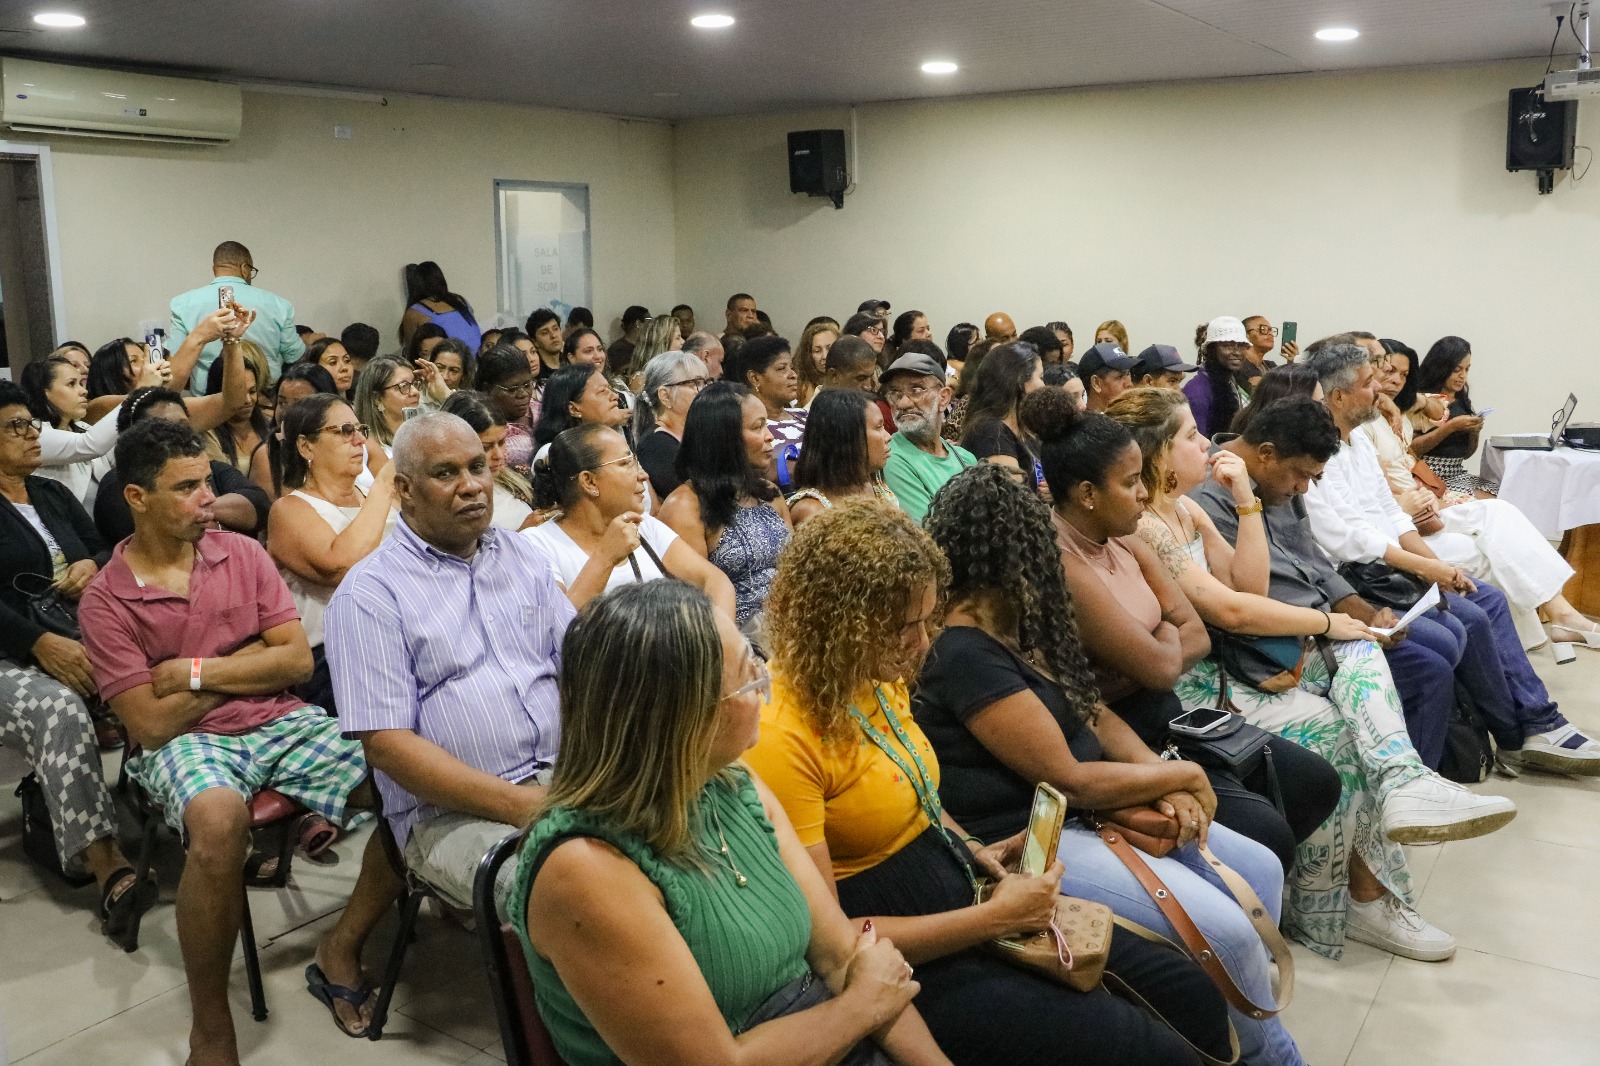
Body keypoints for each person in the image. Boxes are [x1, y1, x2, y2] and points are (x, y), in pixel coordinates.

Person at [746, 501, 1245, 1066]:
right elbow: (835, 941)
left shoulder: (872, 677)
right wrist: (994, 918)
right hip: (904, 947)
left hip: (964, 887)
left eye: (926, 622)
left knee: (1185, 987)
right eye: (902, 628)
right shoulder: (781, 736)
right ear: (839, 623)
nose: (919, 644)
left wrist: (975, 849)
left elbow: (918, 796)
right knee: (1136, 1044)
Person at [917, 467, 1312, 1064]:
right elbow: (1066, 778)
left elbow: (1095, 715)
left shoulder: (1016, 627)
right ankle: (1268, 1056)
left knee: (1260, 867)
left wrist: (1160, 775)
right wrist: (1182, 776)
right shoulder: (963, 652)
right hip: (1032, 838)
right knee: (1227, 932)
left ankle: (1244, 1026)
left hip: (1088, 808)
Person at [515, 581, 947, 1066]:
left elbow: (845, 956)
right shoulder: (586, 869)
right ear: (684, 719)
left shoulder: (733, 783)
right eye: (749, 674)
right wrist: (861, 1007)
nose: (765, 682)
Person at [1106, 386, 1467, 961]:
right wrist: (1325, 622)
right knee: (1339, 726)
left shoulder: (1188, 507)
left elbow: (1245, 585)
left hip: (1223, 661)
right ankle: (1338, 901)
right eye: (1190, 437)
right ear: (1154, 452)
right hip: (1198, 686)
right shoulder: (1147, 524)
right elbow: (1228, 610)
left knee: (1357, 669)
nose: (1206, 444)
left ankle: (1392, 808)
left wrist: (1246, 501)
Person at [79, 418, 402, 1058]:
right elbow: (146, 723)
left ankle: (341, 947)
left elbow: (296, 665)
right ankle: (211, 1021)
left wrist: (195, 672)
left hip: (276, 716)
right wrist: (248, 664)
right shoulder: (105, 600)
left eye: (207, 482)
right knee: (220, 821)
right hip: (184, 744)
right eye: (187, 487)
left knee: (401, 780)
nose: (210, 498)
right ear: (137, 499)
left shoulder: (242, 552)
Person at [1019, 388, 1341, 881]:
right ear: (1087, 494)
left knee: (1316, 781)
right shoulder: (1065, 559)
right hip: (1120, 732)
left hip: (1166, 709)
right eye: (1130, 483)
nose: (1145, 494)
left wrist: (1152, 646)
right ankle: (1232, 896)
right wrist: (1165, 637)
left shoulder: (1127, 535)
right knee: (1269, 833)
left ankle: (1249, 888)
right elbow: (1167, 660)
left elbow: (1197, 636)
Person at [1190, 388, 1526, 838]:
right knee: (1427, 666)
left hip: (1323, 621)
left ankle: (1412, 788)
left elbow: (1311, 561)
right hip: (1280, 640)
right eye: (1301, 477)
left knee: (1443, 638)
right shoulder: (1211, 496)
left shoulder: (1278, 478)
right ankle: (1403, 796)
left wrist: (1366, 613)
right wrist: (1333, 624)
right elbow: (1247, 602)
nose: (1303, 488)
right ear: (1266, 455)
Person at [1299, 344, 1599, 773]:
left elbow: (1388, 512)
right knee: (1472, 614)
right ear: (1337, 397)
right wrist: (1428, 567)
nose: (1380, 388)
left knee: (1490, 597)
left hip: (1392, 557)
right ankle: (1523, 733)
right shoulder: (1323, 450)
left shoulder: (1359, 440)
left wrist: (1434, 567)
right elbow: (1350, 538)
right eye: (1369, 382)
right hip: (1361, 574)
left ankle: (1537, 723)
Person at [327, 413, 575, 916]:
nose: (471, 487)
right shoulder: (370, 594)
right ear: (404, 489)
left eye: (478, 467)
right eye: (445, 474)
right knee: (570, 892)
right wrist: (523, 806)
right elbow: (388, 748)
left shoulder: (522, 555)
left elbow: (584, 663)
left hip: (565, 775)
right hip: (447, 816)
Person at [0, 380, 154, 950]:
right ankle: (108, 863)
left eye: (30, 424)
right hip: (10, 651)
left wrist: (91, 564)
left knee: (159, 672)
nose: (31, 434)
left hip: (81, 631)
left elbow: (104, 544)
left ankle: (179, 817)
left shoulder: (50, 493)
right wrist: (38, 642)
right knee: (60, 709)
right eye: (15, 427)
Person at [1365, 338, 1596, 648]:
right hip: (1408, 512)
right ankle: (1535, 633)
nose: (1394, 380)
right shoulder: (1359, 428)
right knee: (1492, 544)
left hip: (1423, 498)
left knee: (1502, 512)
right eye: (1387, 370)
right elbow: (1382, 484)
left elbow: (1410, 451)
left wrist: (1416, 405)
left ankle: (1556, 616)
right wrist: (1409, 500)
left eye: (1403, 375)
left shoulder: (1394, 411)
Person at [267, 394, 397, 713]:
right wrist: (384, 484)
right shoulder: (290, 510)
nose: (359, 439)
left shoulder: (374, 497)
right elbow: (341, 566)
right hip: (336, 657)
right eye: (343, 431)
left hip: (398, 635)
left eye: (360, 429)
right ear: (306, 447)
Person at [524, 424, 736, 614]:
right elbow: (557, 628)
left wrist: (720, 643)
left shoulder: (644, 524)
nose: (643, 475)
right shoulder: (537, 544)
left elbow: (715, 581)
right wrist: (605, 557)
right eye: (626, 463)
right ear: (589, 482)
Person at [658, 381, 792, 633]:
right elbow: (692, 607)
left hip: (792, 625)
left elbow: (795, 570)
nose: (770, 435)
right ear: (724, 439)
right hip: (733, 637)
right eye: (758, 426)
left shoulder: (769, 493)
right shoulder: (685, 506)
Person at [94, 388, 270, 545]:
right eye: (187, 487)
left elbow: (259, 504)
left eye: (185, 426)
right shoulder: (116, 483)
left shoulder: (210, 468)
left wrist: (198, 512)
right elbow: (154, 538)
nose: (207, 497)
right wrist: (225, 523)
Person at [169, 241, 303, 384]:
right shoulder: (279, 305)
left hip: (208, 397)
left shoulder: (183, 304)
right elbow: (295, 356)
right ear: (245, 268)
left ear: (215, 269)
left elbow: (173, 358)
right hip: (264, 395)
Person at [881, 353, 974, 524]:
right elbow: (926, 535)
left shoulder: (965, 458)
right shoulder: (890, 457)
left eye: (916, 390)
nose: (903, 403)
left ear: (944, 398)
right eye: (895, 393)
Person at [787, 389, 896, 527]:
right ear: (848, 439)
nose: (888, 437)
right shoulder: (812, 511)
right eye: (878, 427)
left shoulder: (874, 483)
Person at [21, 355, 116, 508]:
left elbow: (122, 457)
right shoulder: (34, 435)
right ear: (44, 393)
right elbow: (89, 445)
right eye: (72, 384)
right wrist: (138, 395)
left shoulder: (83, 429)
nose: (83, 391)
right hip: (65, 528)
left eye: (81, 383)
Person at [440, 390, 536, 530]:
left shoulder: (518, 477)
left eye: (502, 442)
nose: (499, 455)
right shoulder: (448, 498)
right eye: (486, 447)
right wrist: (523, 535)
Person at [1411, 335, 1494, 495]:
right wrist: (1450, 427)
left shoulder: (1462, 400)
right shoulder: (1422, 400)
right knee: (1487, 502)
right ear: (1441, 368)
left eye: (1467, 369)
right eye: (1457, 370)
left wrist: (1474, 432)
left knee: (1504, 492)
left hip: (1456, 471)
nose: (1462, 376)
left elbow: (1467, 454)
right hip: (1428, 473)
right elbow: (1412, 449)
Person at [959, 341, 1044, 492]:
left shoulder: (1025, 427)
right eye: (1041, 377)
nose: (1044, 386)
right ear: (1020, 381)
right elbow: (1012, 499)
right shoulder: (990, 431)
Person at [249, 362, 340, 500]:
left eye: (299, 404)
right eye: (282, 402)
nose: (286, 412)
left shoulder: (354, 441)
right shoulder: (267, 456)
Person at [633, 350, 710, 501]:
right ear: (665, 395)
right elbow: (690, 499)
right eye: (693, 383)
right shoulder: (655, 445)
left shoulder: (700, 432)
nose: (703, 391)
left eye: (704, 383)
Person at [727, 335, 806, 460]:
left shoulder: (805, 415)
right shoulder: (744, 427)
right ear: (755, 378)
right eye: (781, 368)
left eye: (791, 367)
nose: (793, 375)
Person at [533, 363, 631, 464]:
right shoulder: (552, 453)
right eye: (602, 391)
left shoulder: (615, 436)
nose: (615, 396)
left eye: (609, 389)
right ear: (574, 409)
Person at [199, 342, 271, 476]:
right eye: (240, 394)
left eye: (252, 391)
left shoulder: (268, 424)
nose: (248, 400)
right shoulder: (208, 433)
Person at [1183, 316, 1253, 438]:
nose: (1237, 352)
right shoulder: (1197, 390)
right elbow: (1196, 440)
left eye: (1241, 346)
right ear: (1211, 350)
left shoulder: (1235, 382)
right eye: (1227, 345)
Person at [476, 343, 537, 477]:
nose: (523, 394)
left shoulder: (540, 409)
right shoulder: (483, 432)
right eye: (512, 389)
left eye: (527, 385)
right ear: (487, 389)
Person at [399, 261, 482, 351]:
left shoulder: (414, 312)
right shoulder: (460, 300)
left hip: (452, 359)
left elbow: (411, 350)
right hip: (479, 357)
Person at [351, 355, 418, 466]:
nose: (415, 392)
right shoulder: (365, 449)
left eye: (415, 384)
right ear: (377, 398)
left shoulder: (420, 439)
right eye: (404, 386)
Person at [87, 337, 171, 424]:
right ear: (113, 374)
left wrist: (165, 388)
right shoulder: (98, 405)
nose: (146, 365)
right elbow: (124, 405)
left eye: (145, 358)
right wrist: (147, 386)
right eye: (134, 361)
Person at [625, 313, 685, 389]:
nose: (683, 341)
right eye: (677, 338)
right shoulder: (640, 379)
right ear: (662, 343)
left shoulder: (681, 371)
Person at [1076, 341, 1137, 413]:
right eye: (1120, 376)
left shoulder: (1128, 419)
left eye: (1128, 374)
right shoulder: (1085, 423)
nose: (1129, 384)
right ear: (1096, 383)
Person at [794, 317, 839, 408]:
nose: (825, 356)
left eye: (829, 348)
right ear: (809, 355)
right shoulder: (804, 387)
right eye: (817, 351)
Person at [525, 308, 569, 386]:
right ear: (534, 341)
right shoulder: (534, 371)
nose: (553, 335)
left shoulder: (571, 362)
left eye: (555, 329)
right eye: (545, 333)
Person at [1130, 344, 1198, 390]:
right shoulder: (1130, 411)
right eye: (1172, 381)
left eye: (1179, 381)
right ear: (1148, 381)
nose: (1178, 390)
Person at [608, 304, 652, 372]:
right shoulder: (618, 349)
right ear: (638, 324)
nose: (651, 325)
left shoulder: (645, 346)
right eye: (649, 320)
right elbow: (623, 372)